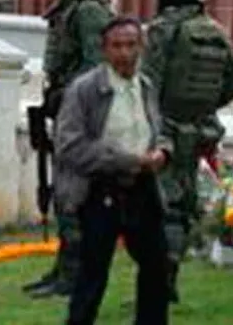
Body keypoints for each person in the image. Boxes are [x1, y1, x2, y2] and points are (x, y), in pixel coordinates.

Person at [141, 0, 233, 304]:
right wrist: (206, 107)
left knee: (163, 207)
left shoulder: (162, 29)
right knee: (184, 207)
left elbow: (147, 82)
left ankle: (161, 285)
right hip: (202, 131)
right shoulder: (215, 29)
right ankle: (168, 279)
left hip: (166, 129)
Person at [56, 17, 172, 325]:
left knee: (157, 265)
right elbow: (69, 146)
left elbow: (158, 128)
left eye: (131, 45)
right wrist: (127, 160)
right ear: (104, 50)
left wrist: (162, 151)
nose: (125, 53)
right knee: (93, 272)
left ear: (142, 47)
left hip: (143, 188)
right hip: (100, 190)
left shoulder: (145, 86)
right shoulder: (85, 90)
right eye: (117, 46)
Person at [23, 0, 114, 299]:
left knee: (75, 196)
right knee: (64, 194)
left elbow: (96, 65)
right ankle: (65, 267)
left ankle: (76, 274)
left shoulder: (89, 11)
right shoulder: (71, 8)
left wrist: (69, 96)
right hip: (68, 111)